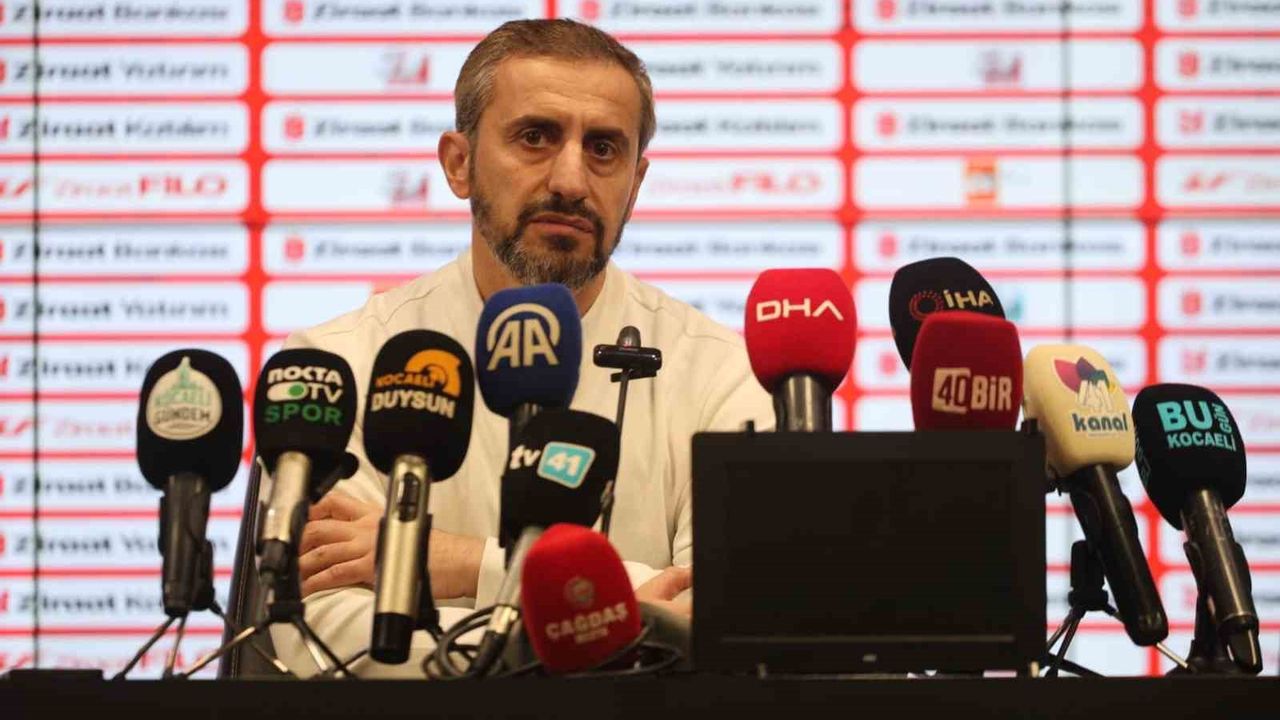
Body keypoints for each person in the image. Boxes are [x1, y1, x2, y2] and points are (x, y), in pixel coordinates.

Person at [267, 19, 772, 677]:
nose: (570, 179)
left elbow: (729, 620)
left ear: (636, 183)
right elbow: (319, 632)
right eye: (535, 137)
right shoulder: (340, 363)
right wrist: (597, 622)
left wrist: (465, 563)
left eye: (603, 148)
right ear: (458, 163)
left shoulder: (723, 372)